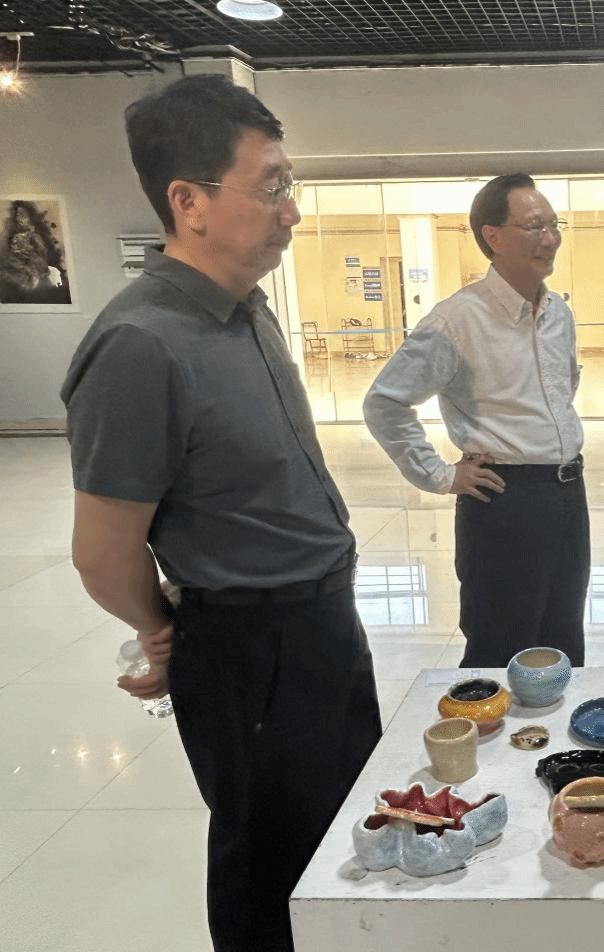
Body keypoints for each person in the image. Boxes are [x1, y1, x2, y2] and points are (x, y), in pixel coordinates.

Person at [61, 75, 382, 952]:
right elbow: (102, 550)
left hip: (320, 621)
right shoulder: (140, 344)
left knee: (342, 825)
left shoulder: (247, 310)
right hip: (247, 645)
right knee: (267, 858)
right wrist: (166, 630)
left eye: (290, 184)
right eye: (270, 186)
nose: (291, 210)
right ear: (188, 202)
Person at [364, 173, 588, 668]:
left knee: (564, 638)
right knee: (499, 645)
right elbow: (385, 402)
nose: (550, 238)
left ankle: (557, 721)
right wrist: (440, 475)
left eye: (554, 225)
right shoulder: (457, 319)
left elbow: (562, 389)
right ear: (493, 236)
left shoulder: (559, 313)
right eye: (534, 227)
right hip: (503, 498)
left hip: (568, 494)